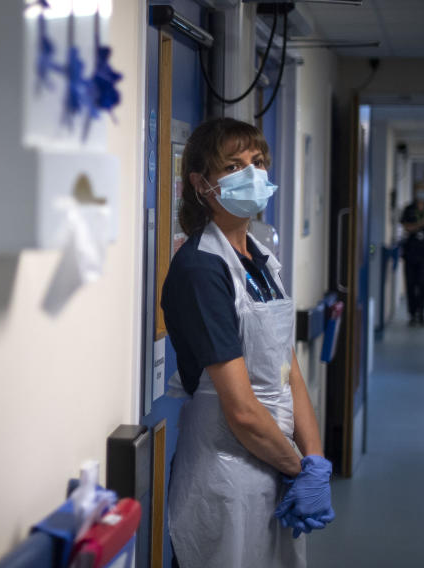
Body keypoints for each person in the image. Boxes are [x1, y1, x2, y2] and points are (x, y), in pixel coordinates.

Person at [161, 118, 334, 568]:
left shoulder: (260, 259)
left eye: (258, 162)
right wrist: (300, 470)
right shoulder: (201, 269)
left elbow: (288, 369)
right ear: (201, 184)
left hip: (276, 460)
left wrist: (315, 461)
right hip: (227, 469)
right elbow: (239, 409)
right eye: (234, 167)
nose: (253, 174)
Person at [400, 196, 424, 326]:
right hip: (410, 253)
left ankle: (421, 312)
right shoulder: (409, 209)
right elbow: (407, 227)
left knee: (423, 284)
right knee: (410, 285)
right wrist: (422, 223)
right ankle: (412, 314)